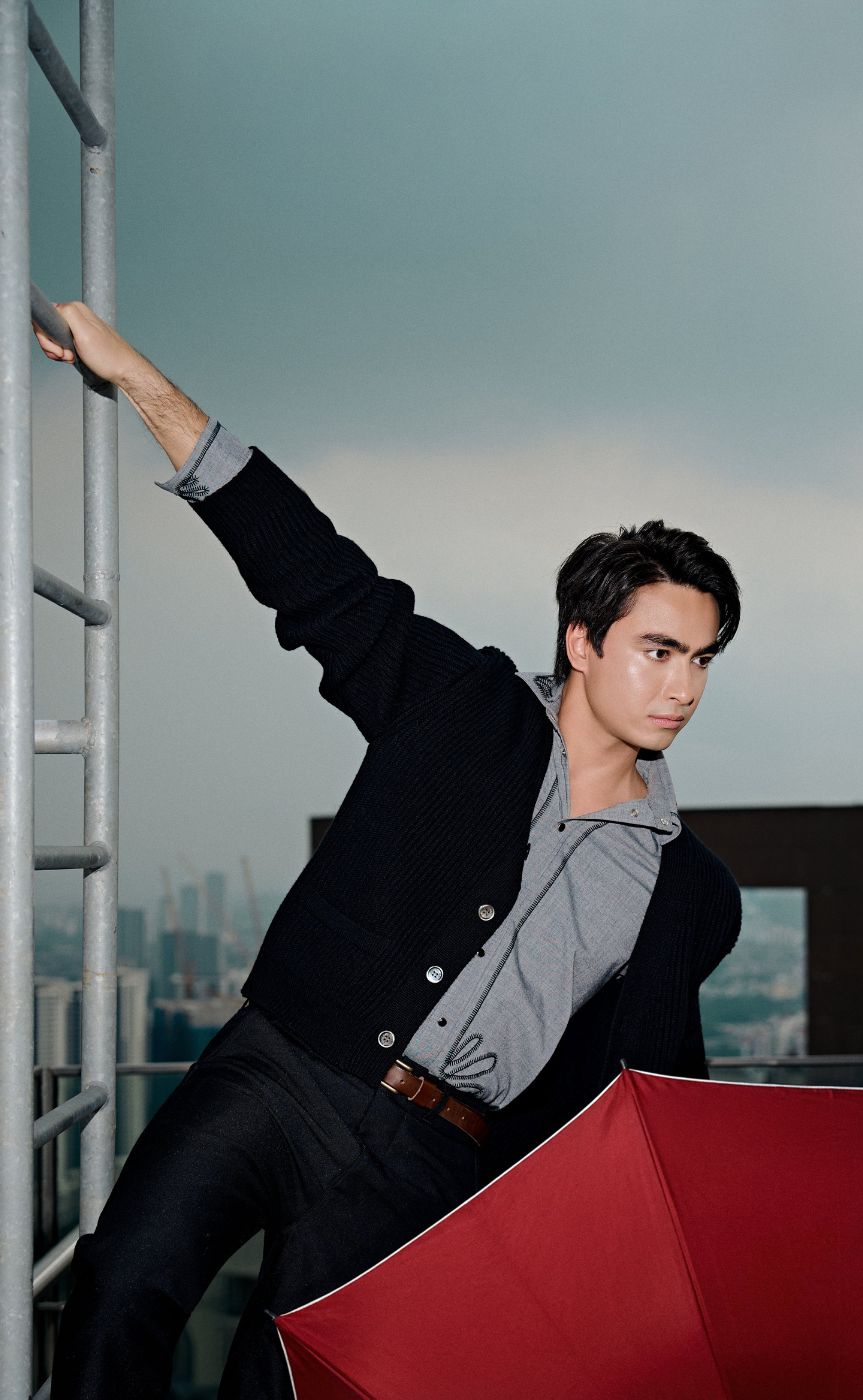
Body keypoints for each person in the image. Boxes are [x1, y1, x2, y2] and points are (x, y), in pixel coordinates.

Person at [35, 303, 743, 1398]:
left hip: (425, 1164)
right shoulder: (462, 706)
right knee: (122, 1290)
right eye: (659, 650)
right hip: (281, 1069)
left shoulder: (688, 889)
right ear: (582, 639)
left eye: (702, 658)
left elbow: (653, 1103)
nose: (684, 686)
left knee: (284, 1388)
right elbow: (313, 571)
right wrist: (136, 377)